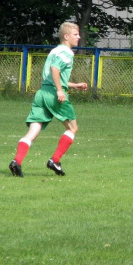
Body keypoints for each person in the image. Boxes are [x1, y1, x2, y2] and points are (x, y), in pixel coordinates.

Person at [8, 22, 88, 177]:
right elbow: (55, 70)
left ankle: (16, 161)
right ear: (66, 36)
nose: (79, 37)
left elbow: (52, 76)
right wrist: (60, 90)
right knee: (72, 128)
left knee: (33, 132)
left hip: (42, 92)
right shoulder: (67, 52)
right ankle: (55, 160)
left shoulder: (54, 51)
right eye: (75, 34)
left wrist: (73, 85)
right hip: (53, 94)